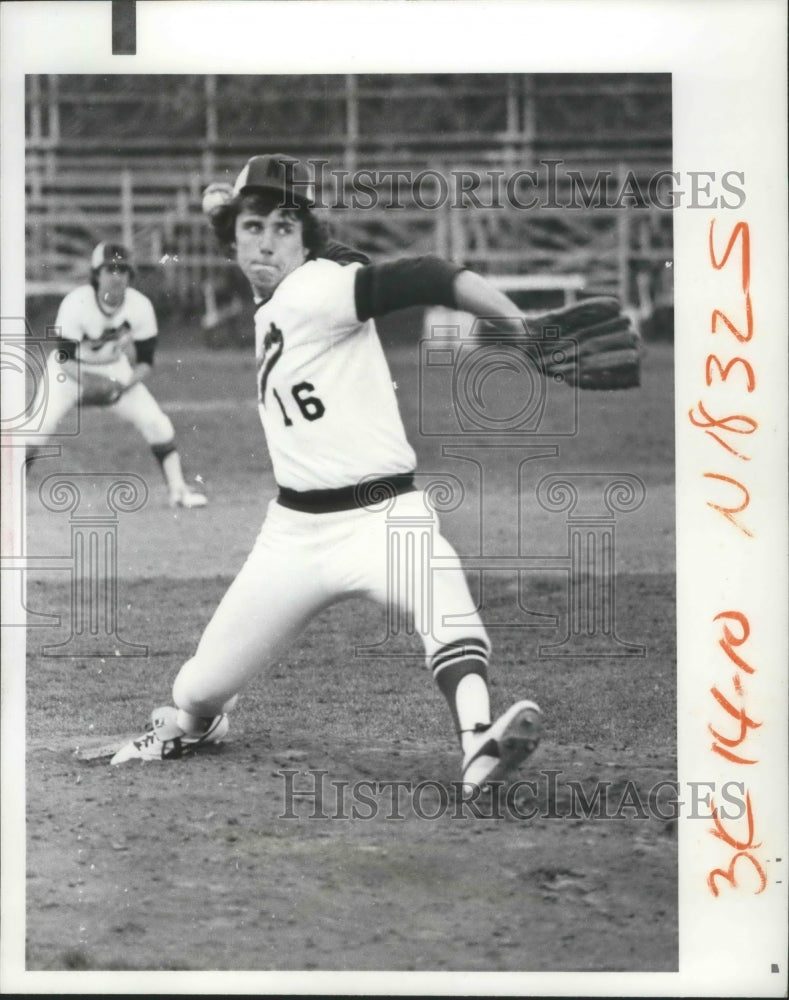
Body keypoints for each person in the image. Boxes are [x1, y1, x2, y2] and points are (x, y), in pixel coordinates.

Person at [111, 153, 542, 794]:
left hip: (383, 515)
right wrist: (222, 213)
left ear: (306, 240)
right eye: (253, 227)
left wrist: (524, 330)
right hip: (294, 536)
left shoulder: (320, 285)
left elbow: (431, 273)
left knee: (443, 601)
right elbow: (265, 248)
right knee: (196, 689)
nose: (266, 241)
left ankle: (479, 742)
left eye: (285, 227)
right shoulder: (284, 290)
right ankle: (200, 723)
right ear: (233, 240)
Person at [27, 242, 208, 509]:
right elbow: (64, 358)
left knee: (157, 423)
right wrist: (91, 383)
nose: (116, 276)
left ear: (131, 275)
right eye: (109, 269)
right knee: (36, 428)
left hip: (114, 368)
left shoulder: (140, 306)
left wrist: (121, 385)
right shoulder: (76, 302)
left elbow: (145, 362)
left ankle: (178, 491)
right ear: (95, 274)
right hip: (69, 371)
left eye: (123, 270)